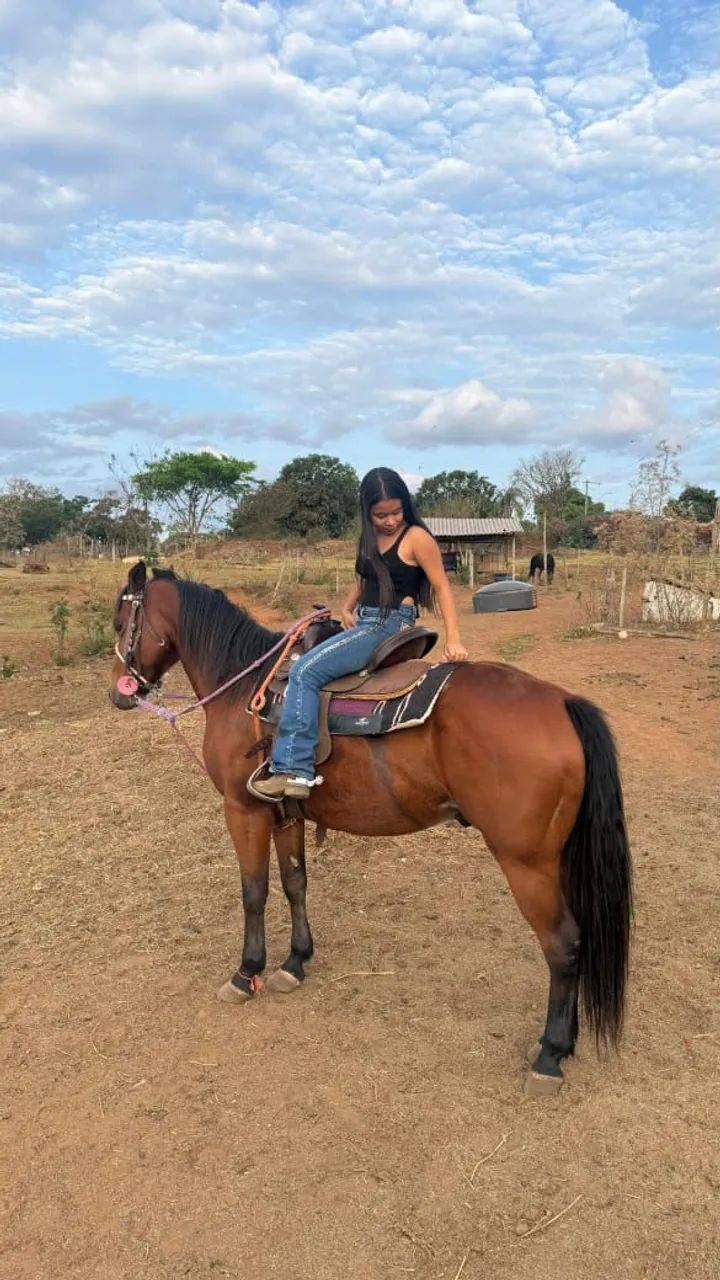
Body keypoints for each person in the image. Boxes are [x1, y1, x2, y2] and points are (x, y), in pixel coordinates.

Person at [254, 467, 469, 800]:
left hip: (388, 623)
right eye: (381, 514)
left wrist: (454, 639)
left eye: (396, 511)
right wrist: (346, 607)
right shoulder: (369, 535)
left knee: (304, 671)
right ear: (367, 511)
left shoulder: (416, 538)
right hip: (366, 619)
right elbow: (364, 576)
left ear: (406, 506)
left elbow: (441, 586)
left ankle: (295, 770)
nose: (390, 520)